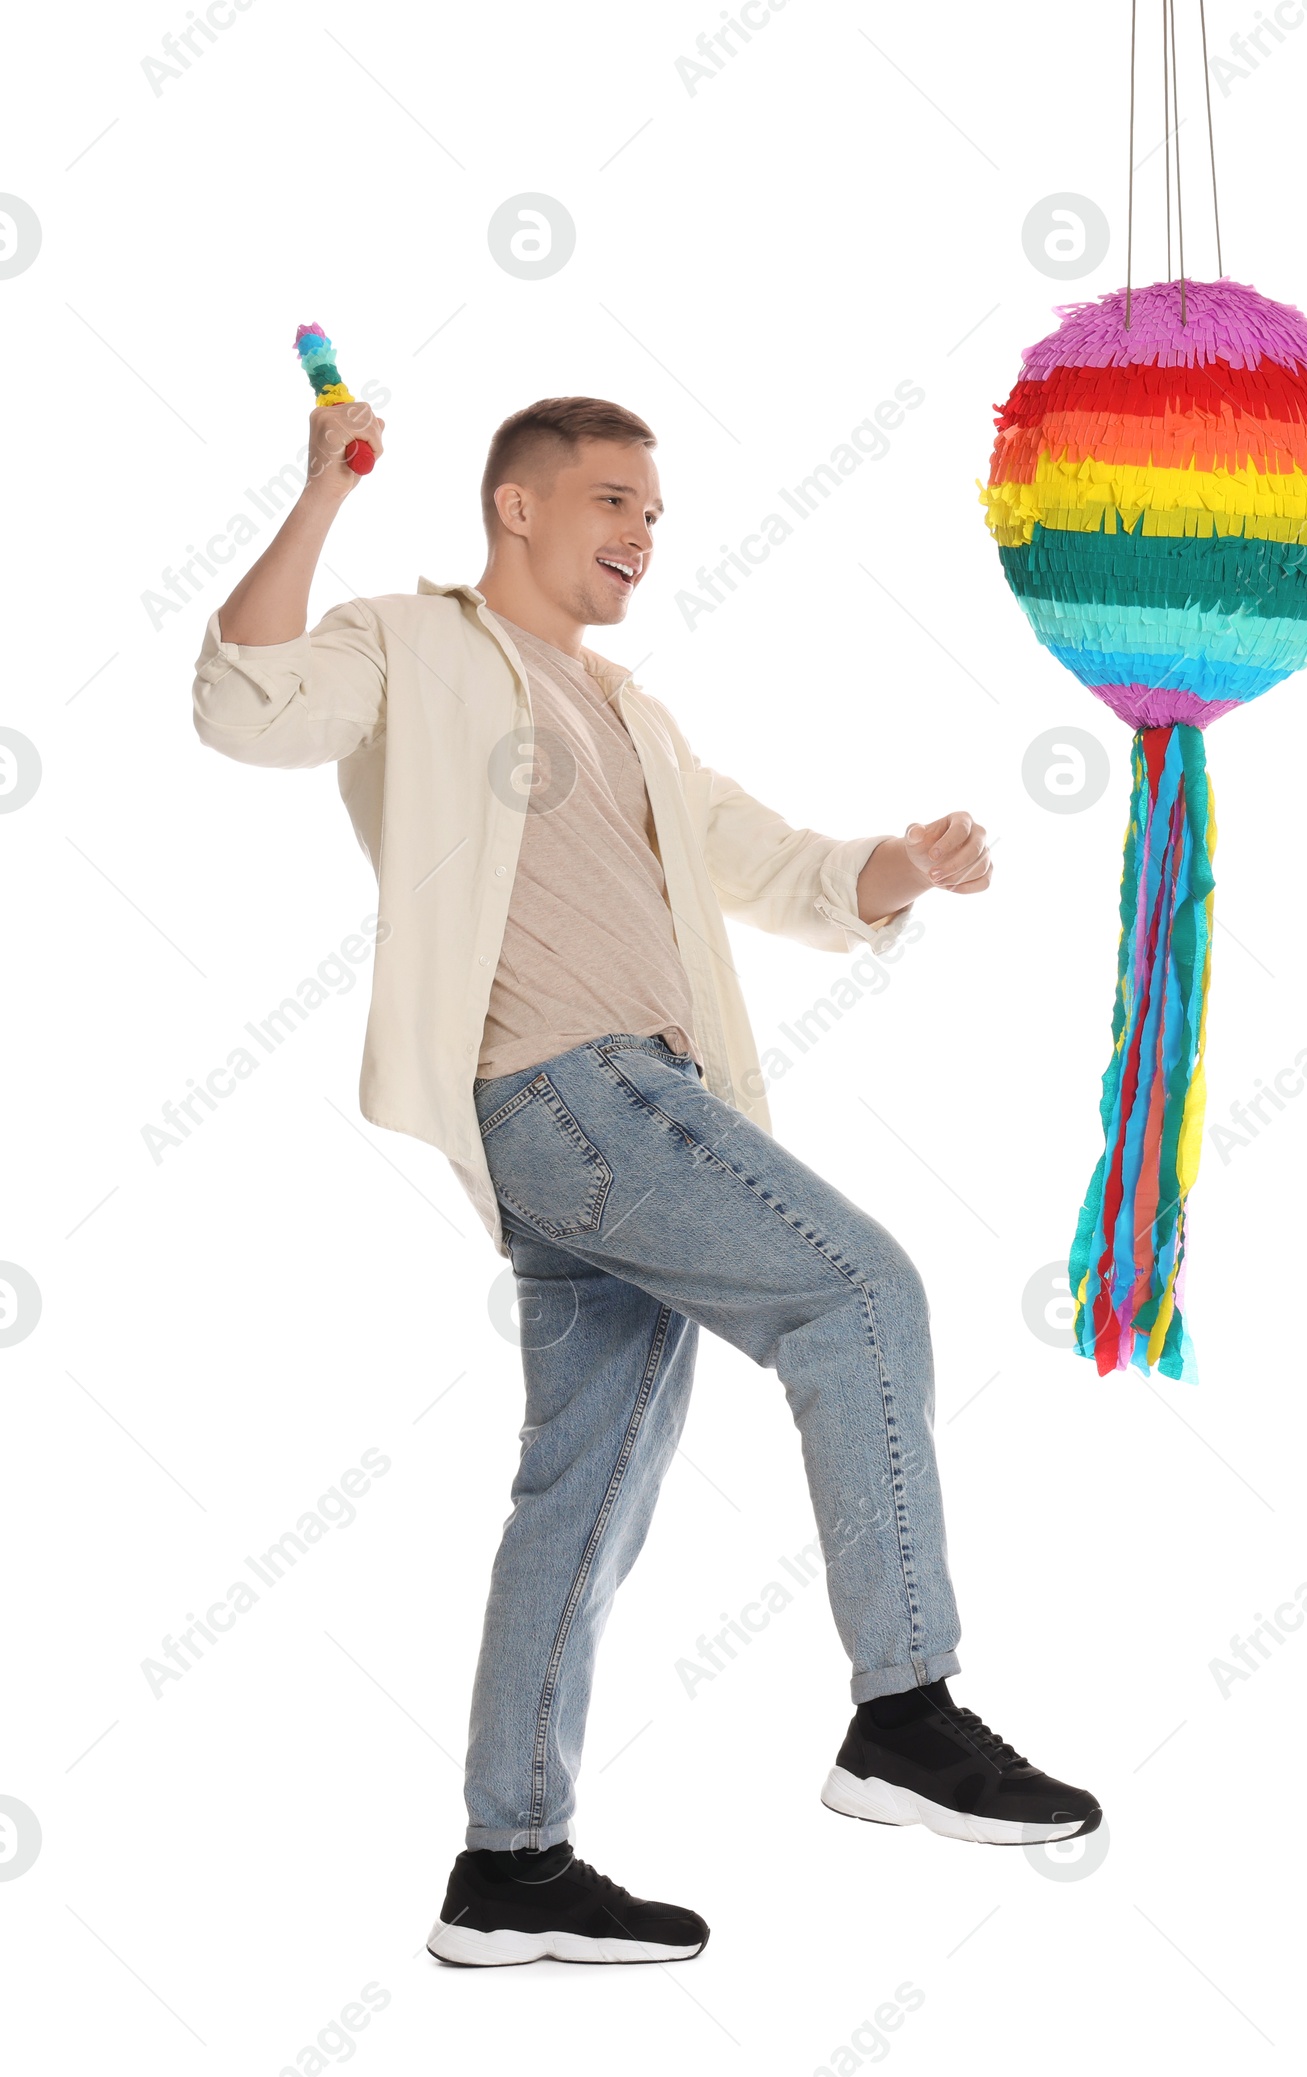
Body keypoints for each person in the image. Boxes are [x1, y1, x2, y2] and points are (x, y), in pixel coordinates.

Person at [192, 390, 1102, 1969]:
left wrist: (900, 866)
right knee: (860, 1288)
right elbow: (243, 699)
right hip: (571, 1093)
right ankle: (905, 1707)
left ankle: (511, 1864)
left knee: (583, 1483)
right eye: (614, 499)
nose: (642, 533)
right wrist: (323, 490)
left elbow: (784, 871)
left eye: (657, 513)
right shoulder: (410, 643)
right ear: (520, 508)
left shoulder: (634, 715)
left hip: (625, 1111)